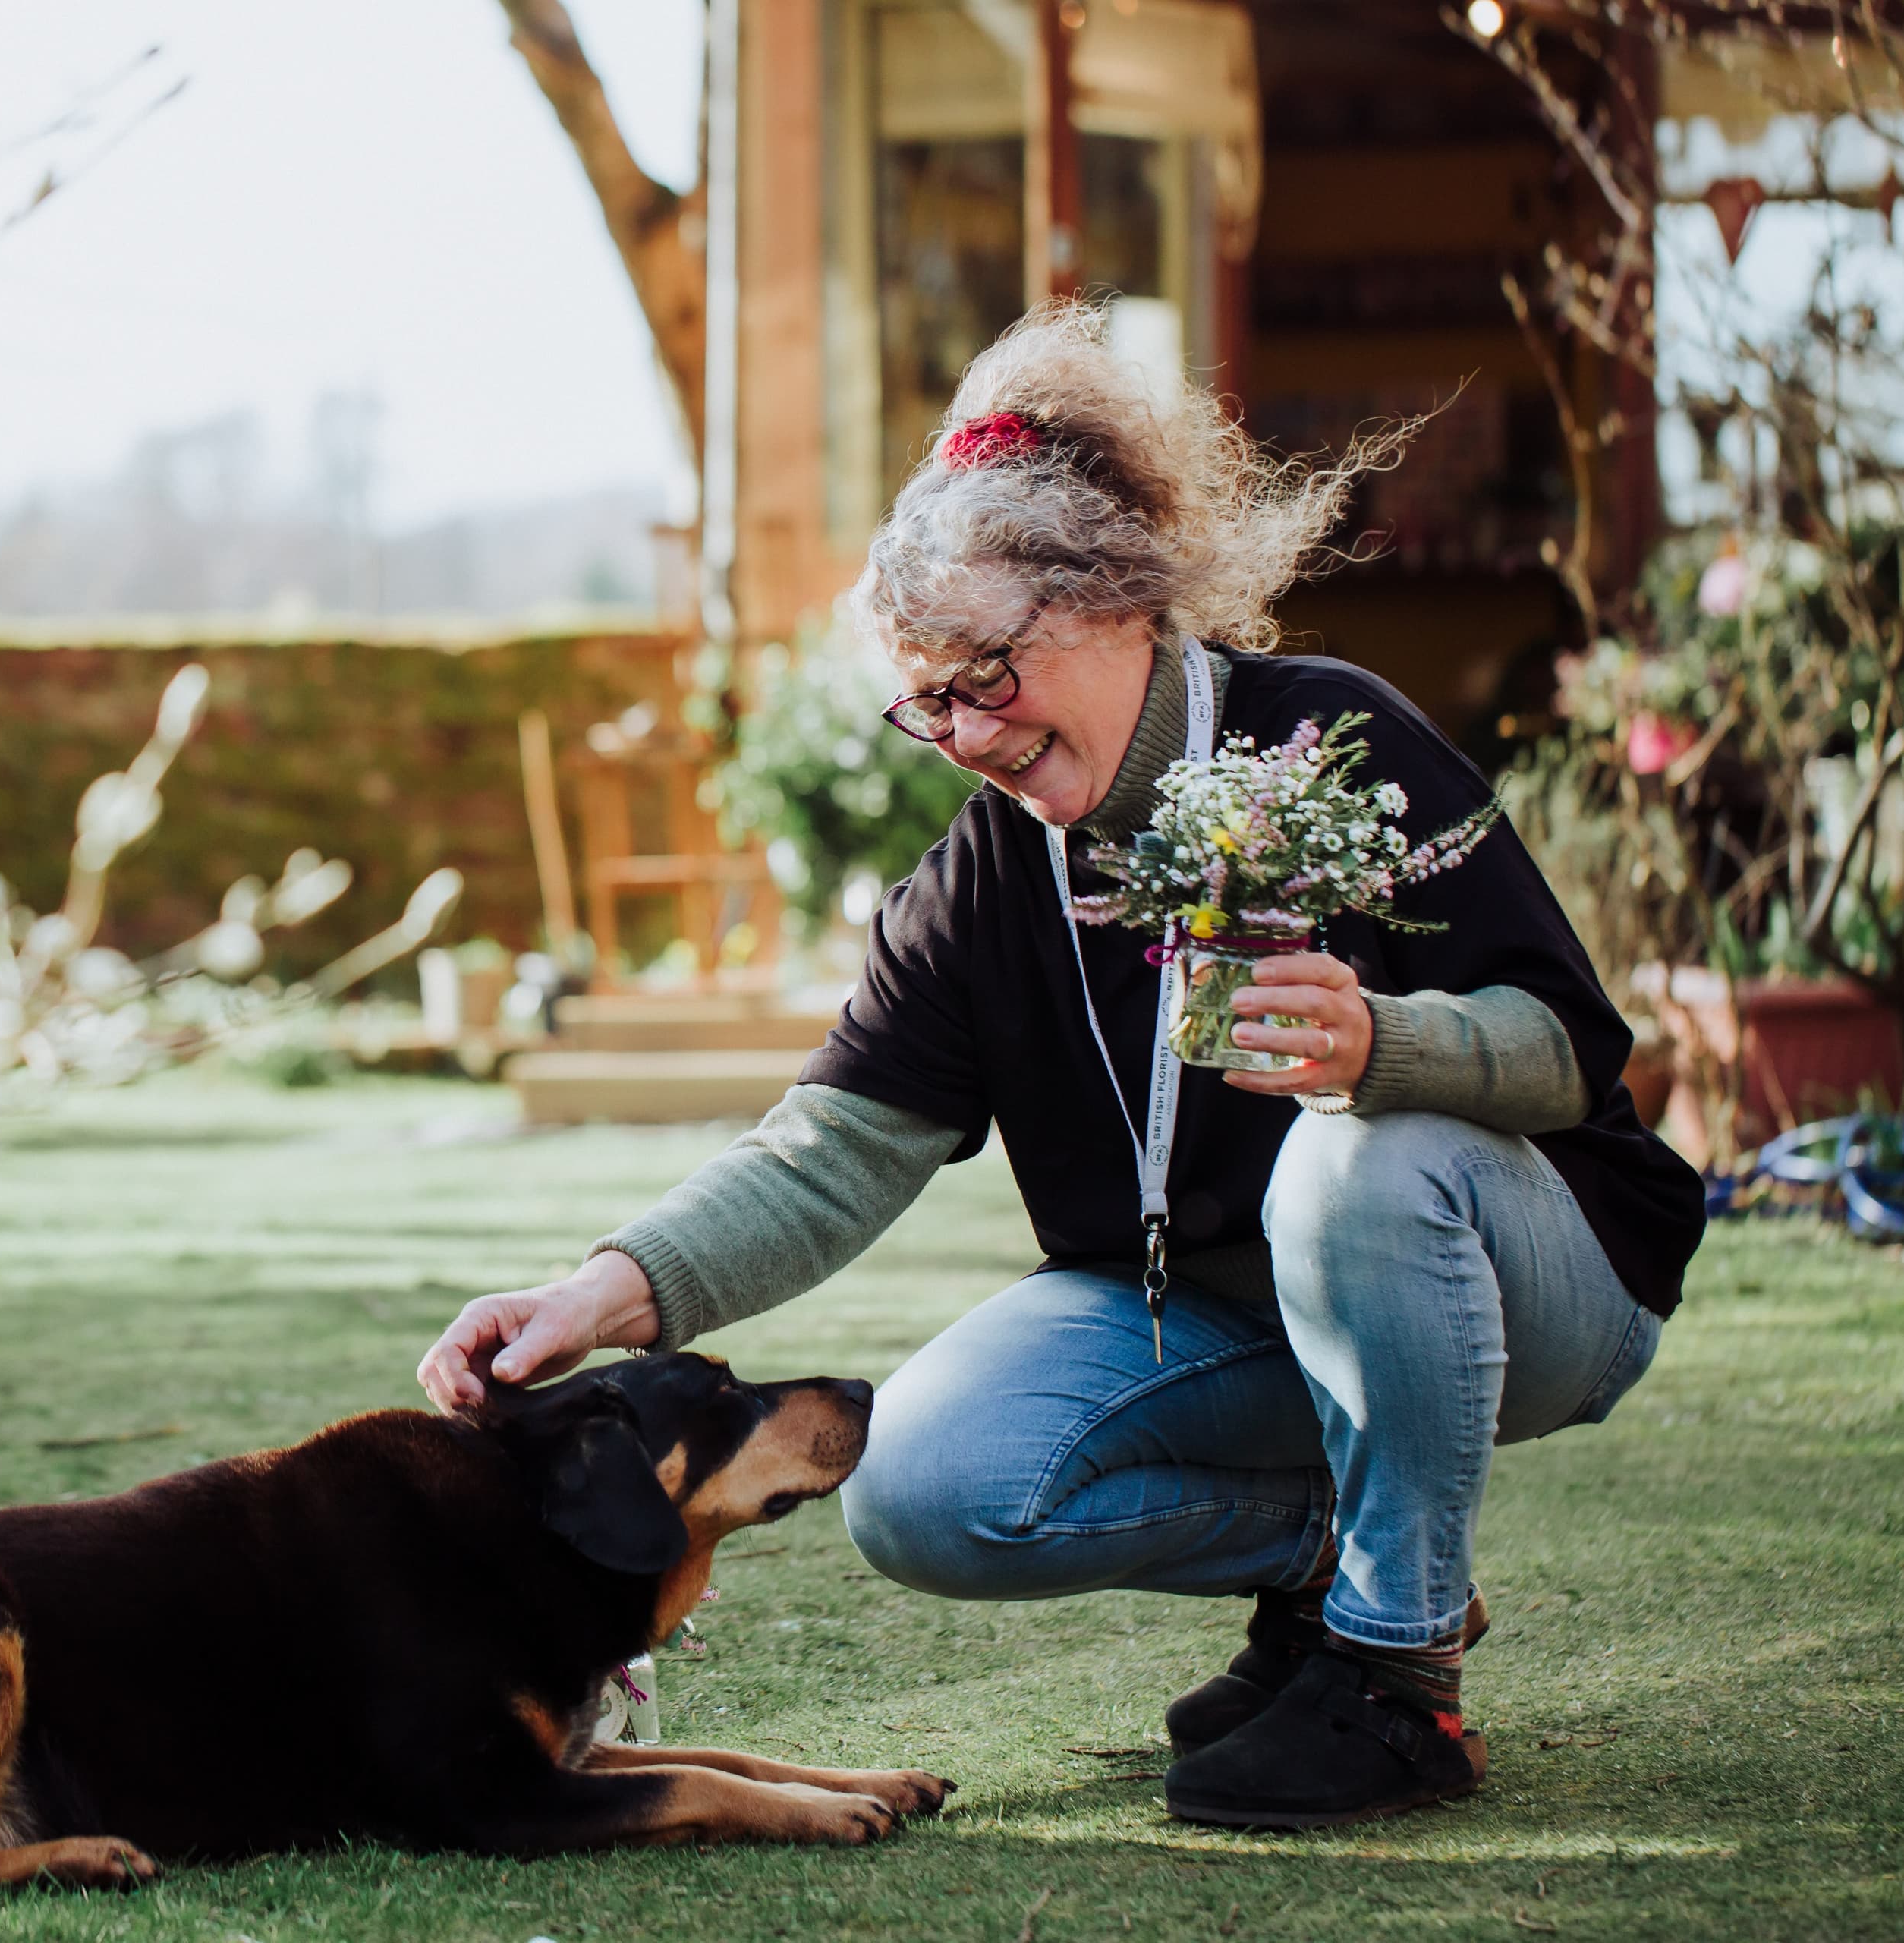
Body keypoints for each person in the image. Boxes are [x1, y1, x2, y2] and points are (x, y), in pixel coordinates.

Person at [417, 304, 1704, 1831]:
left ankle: (1397, 1679)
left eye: (988, 673)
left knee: (1374, 1148)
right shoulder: (979, 878)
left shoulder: (1332, 735)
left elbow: (1569, 1050)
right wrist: (596, 1293)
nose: (964, 729)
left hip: (1524, 1278)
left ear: (1113, 602)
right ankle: (1328, 1578)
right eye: (928, 698)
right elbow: (830, 1150)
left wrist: (1386, 1041)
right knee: (924, 1481)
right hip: (1221, 1316)